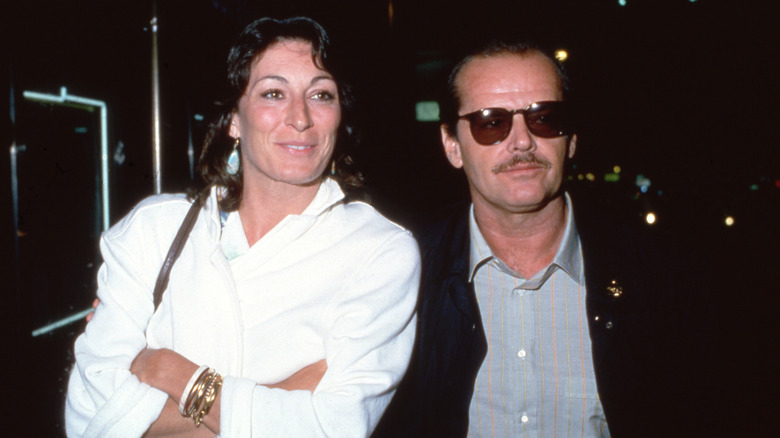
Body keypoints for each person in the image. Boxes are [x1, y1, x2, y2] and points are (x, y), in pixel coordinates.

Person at [65, 17, 420, 438]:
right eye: (273, 93)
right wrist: (283, 394)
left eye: (321, 94)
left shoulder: (379, 251)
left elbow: (334, 427)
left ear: (339, 117)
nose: (300, 117)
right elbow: (89, 418)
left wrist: (169, 369)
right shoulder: (154, 230)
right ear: (234, 119)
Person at [372, 41, 714, 437]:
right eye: (491, 122)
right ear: (453, 145)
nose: (522, 142)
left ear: (570, 139)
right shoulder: (399, 270)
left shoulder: (661, 274)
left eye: (545, 118)